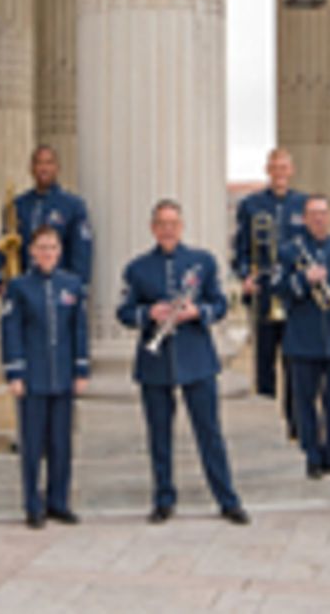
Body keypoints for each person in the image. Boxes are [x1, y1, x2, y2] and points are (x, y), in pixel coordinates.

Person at [117, 200, 249, 526]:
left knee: (210, 434)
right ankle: (163, 499)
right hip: (155, 360)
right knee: (159, 435)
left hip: (197, 358)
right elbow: (123, 312)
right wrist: (149, 313)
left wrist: (196, 312)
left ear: (182, 226)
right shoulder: (137, 268)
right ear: (152, 228)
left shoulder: (202, 262)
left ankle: (227, 499)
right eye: (161, 223)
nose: (167, 229)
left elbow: (219, 304)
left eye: (173, 223)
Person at [1, 227, 90, 528]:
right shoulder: (19, 286)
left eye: (52, 247)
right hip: (33, 377)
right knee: (32, 444)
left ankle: (59, 501)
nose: (47, 253)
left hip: (63, 375)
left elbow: (79, 329)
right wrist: (15, 372)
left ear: (60, 250)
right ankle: (32, 504)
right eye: (42, 247)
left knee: (61, 443)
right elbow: (11, 330)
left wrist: (81, 369)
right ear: (32, 251)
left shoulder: (73, 285)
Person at [277, 195, 330, 480]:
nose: (318, 219)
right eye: (313, 214)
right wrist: (304, 279)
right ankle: (311, 456)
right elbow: (278, 288)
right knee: (305, 403)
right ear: (304, 218)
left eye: (323, 213)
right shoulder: (289, 252)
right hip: (303, 339)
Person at [231, 148, 308, 438]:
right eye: (274, 166)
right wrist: (244, 276)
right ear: (268, 169)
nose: (279, 172)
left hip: (293, 294)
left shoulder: (303, 203)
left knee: (295, 362)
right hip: (263, 294)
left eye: (284, 166)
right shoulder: (250, 205)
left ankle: (296, 426)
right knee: (264, 363)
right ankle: (265, 426)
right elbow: (239, 249)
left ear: (292, 170)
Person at [12, 145, 93, 282]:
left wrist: (78, 287)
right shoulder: (18, 205)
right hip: (25, 287)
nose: (44, 168)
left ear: (57, 168)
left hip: (59, 288)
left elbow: (81, 254)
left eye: (49, 163)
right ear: (31, 168)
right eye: (39, 163)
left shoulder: (73, 205)